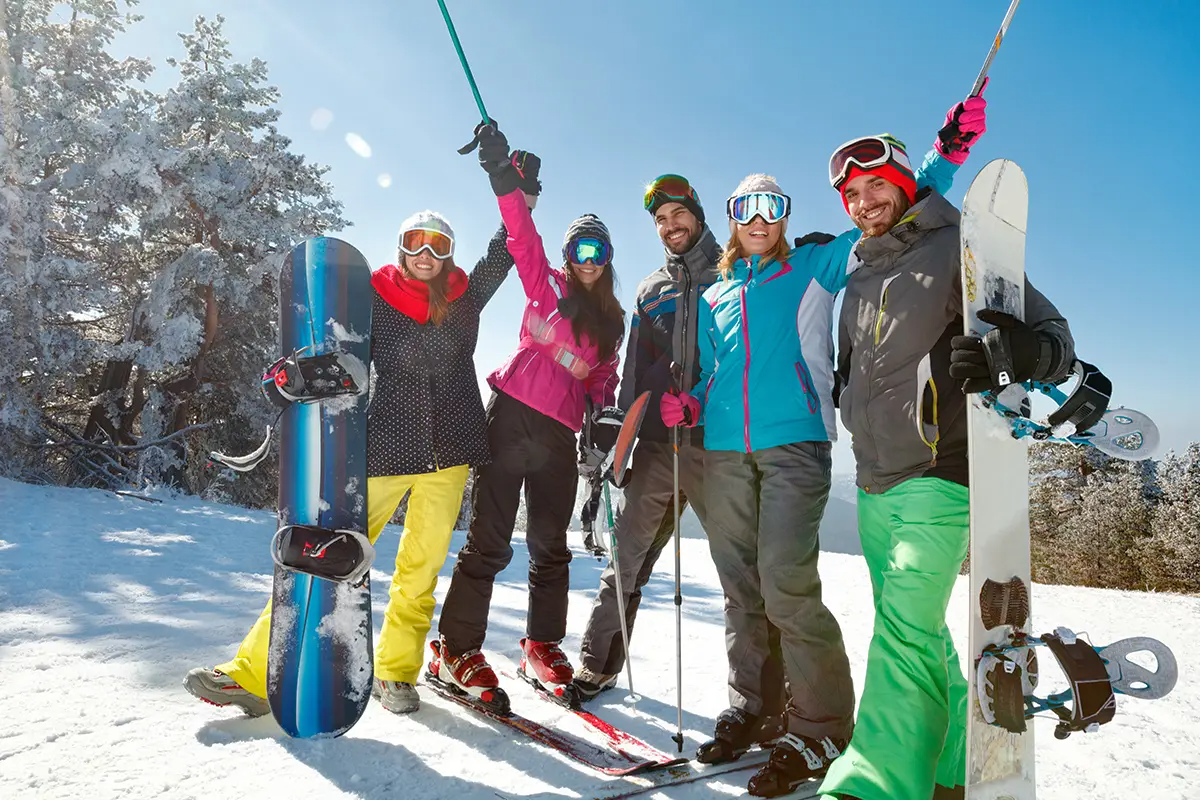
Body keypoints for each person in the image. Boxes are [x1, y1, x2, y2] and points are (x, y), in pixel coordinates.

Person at [660, 91, 987, 798]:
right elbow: (716, 369)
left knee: (786, 583)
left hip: (795, 446)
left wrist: (945, 156)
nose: (757, 221)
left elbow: (892, 214)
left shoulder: (816, 265)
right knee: (743, 591)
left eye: (771, 209)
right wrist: (690, 401)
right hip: (722, 451)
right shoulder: (716, 295)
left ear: (786, 220)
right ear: (731, 223)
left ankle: (821, 727)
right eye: (744, 210)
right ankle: (754, 707)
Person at [183, 192, 533, 715]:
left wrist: (519, 192)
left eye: (437, 244)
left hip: (450, 453)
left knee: (420, 573)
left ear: (449, 255)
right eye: (415, 242)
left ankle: (396, 672)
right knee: (321, 556)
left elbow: (505, 249)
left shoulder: (464, 300)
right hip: (384, 448)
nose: (425, 252)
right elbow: (331, 347)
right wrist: (293, 378)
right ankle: (253, 674)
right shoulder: (372, 298)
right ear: (400, 247)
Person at [816, 131, 1075, 800]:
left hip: (941, 472)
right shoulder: (858, 275)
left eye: (876, 185)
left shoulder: (959, 243)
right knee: (918, 632)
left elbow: (1052, 339)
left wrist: (1015, 351)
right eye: (852, 193)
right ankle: (951, 763)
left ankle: (874, 782)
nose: (864, 201)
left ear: (906, 183)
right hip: (875, 480)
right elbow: (854, 373)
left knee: (901, 632)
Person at [572, 173, 792, 757]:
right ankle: (597, 666)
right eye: (661, 221)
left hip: (719, 445)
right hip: (655, 447)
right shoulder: (650, 290)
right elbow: (633, 368)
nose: (671, 227)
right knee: (627, 560)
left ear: (696, 214)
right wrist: (622, 428)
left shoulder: (733, 272)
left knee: (740, 577)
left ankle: (758, 702)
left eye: (679, 216)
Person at [429, 125, 626, 712]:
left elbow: (600, 379)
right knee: (489, 539)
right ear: (567, 256)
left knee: (550, 546)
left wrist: (604, 414)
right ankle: (456, 648)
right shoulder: (545, 284)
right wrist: (507, 182)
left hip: (558, 435)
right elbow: (521, 235)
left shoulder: (609, 324)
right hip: (511, 416)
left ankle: (541, 645)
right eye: (578, 250)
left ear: (608, 259)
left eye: (597, 251)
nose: (586, 260)